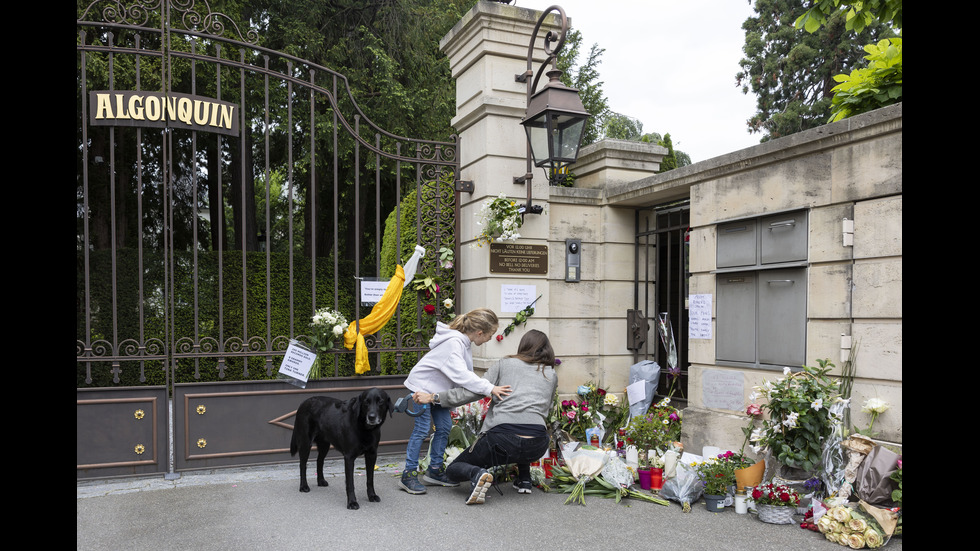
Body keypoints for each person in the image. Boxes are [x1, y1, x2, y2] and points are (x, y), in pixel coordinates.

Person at [413, 329, 558, 505]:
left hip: (501, 442)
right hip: (537, 444)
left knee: (453, 469)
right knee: (524, 428)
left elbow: (474, 391)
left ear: (523, 346)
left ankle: (477, 474)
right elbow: (547, 409)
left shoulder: (505, 364)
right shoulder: (551, 373)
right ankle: (524, 480)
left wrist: (435, 397)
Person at [398, 308, 511, 495]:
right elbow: (462, 376)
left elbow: (464, 375)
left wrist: (484, 386)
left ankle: (434, 471)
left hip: (438, 391)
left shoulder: (463, 343)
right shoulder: (454, 343)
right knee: (422, 428)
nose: (490, 339)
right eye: (490, 335)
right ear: (479, 333)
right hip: (422, 388)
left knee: (444, 428)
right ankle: (408, 474)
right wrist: (489, 388)